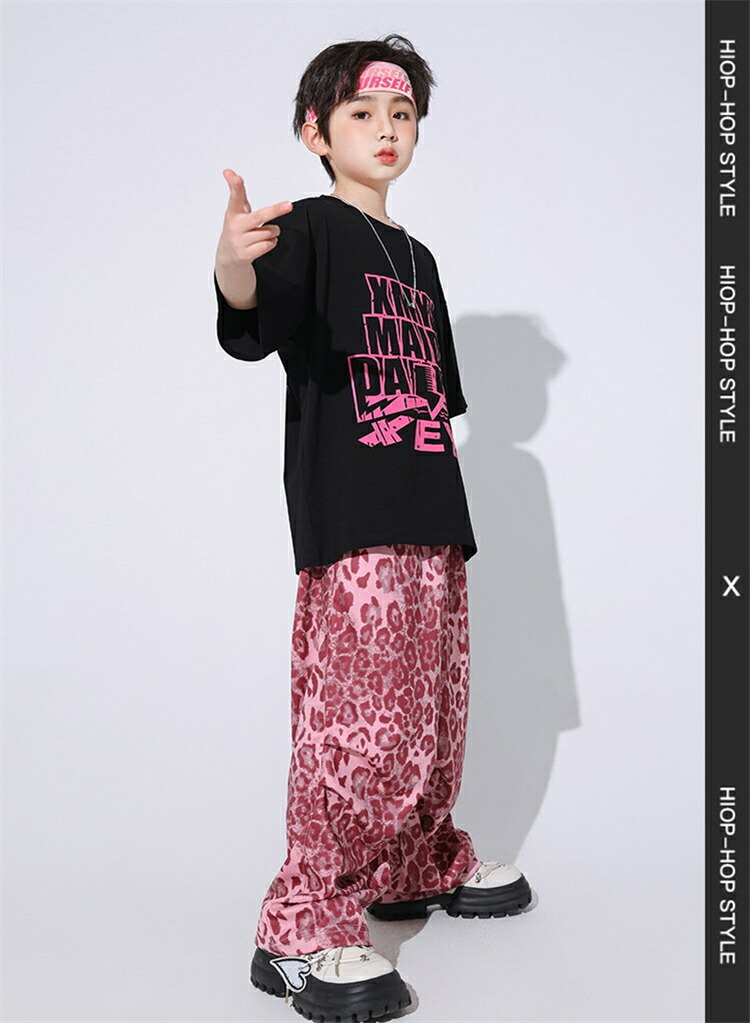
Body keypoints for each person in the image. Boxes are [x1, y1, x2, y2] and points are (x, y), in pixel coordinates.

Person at [213, 33, 533, 1022]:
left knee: (431, 717)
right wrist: (231, 265)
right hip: (355, 523)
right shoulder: (308, 228)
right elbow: (253, 316)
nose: (387, 129)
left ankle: (414, 860)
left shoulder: (419, 260)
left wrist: (448, 527)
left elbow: (434, 399)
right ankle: (299, 925)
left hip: (432, 517)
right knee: (358, 729)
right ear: (317, 132)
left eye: (402, 115)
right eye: (362, 114)